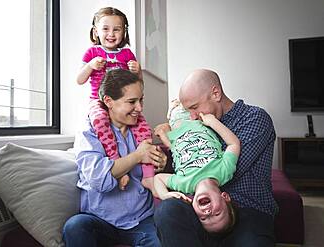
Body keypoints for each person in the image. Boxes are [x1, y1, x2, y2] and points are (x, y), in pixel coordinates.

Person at [154, 68, 278, 246]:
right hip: (202, 212)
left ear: (216, 93)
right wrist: (171, 141)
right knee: (167, 210)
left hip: (248, 211)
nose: (192, 116)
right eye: (187, 110)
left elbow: (220, 169)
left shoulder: (255, 118)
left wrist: (189, 135)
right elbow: (185, 167)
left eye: (195, 107)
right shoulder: (195, 125)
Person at [63, 69, 167, 247]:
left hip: (141, 219)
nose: (140, 108)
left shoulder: (141, 131)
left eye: (141, 100)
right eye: (131, 102)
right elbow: (99, 179)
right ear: (108, 101)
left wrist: (160, 161)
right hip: (100, 220)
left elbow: (150, 171)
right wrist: (138, 156)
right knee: (74, 226)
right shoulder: (88, 132)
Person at [76, 7, 153, 192]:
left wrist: (138, 70)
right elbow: (79, 79)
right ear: (96, 31)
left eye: (116, 29)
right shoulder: (92, 53)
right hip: (98, 100)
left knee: (143, 126)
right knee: (100, 122)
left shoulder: (127, 54)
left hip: (120, 102)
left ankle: (149, 176)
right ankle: (117, 164)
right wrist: (90, 66)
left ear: (124, 31)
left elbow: (138, 84)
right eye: (105, 29)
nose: (111, 34)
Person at [154, 101, 240, 233]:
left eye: (204, 219)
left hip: (177, 123)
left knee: (176, 107)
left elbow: (158, 179)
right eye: (217, 214)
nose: (207, 213)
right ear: (225, 197)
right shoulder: (224, 172)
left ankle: (173, 108)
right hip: (200, 120)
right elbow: (233, 144)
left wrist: (164, 195)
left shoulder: (184, 184)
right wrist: (213, 122)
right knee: (192, 93)